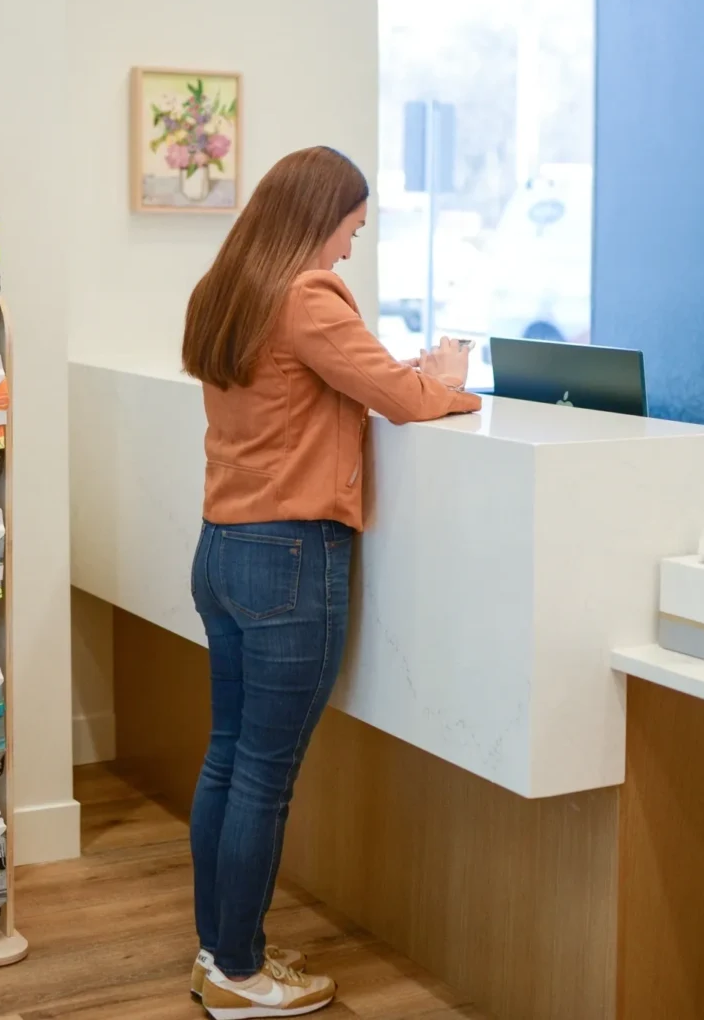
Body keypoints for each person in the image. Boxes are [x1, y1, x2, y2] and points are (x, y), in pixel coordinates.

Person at [179, 145, 479, 1019]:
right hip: (290, 557)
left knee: (228, 757)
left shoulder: (224, 289)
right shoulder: (305, 295)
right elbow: (402, 396)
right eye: (351, 227)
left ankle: (221, 950)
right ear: (320, 217)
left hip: (223, 548)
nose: (350, 249)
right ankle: (240, 973)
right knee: (264, 775)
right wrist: (447, 381)